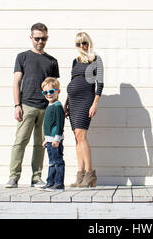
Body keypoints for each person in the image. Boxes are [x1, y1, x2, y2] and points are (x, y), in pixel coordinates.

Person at [5, 23, 60, 188]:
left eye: (43, 38)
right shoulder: (22, 57)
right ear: (31, 38)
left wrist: (55, 107)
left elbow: (54, 86)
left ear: (47, 38)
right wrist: (17, 105)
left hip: (46, 108)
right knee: (20, 141)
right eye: (37, 38)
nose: (40, 41)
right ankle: (13, 177)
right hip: (27, 106)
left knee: (41, 144)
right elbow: (16, 82)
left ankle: (36, 177)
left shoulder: (52, 61)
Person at [64, 32, 104, 188]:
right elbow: (72, 81)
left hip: (85, 100)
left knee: (81, 135)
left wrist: (95, 104)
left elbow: (99, 84)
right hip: (72, 102)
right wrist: (66, 104)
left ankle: (90, 174)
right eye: (79, 44)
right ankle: (80, 175)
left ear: (89, 42)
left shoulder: (95, 59)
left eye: (84, 43)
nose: (82, 46)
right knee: (77, 138)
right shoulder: (75, 61)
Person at [39, 77, 65, 191]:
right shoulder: (49, 106)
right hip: (49, 140)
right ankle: (50, 182)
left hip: (55, 140)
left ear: (58, 92)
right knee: (51, 162)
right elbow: (49, 125)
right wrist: (46, 139)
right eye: (45, 92)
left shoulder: (57, 106)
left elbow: (59, 124)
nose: (48, 94)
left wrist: (57, 139)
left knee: (57, 161)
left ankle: (59, 184)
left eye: (51, 91)